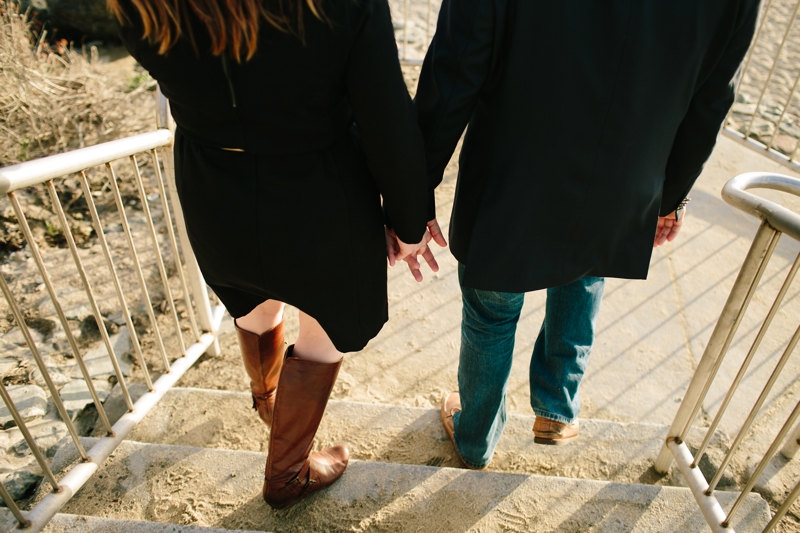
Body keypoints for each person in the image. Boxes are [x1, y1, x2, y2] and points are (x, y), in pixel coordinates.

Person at [406, 0, 761, 470]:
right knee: (585, 264)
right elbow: (714, 95)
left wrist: (411, 188)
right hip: (623, 174)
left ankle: (475, 437)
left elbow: (459, 60)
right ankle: (557, 405)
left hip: (513, 169)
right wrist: (670, 194)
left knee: (491, 311)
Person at [110, 0, 436, 508]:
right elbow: (386, 119)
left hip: (215, 185)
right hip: (320, 190)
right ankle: (286, 475)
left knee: (251, 301)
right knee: (324, 330)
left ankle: (269, 403)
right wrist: (410, 219)